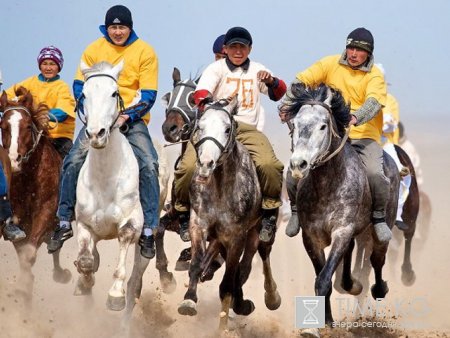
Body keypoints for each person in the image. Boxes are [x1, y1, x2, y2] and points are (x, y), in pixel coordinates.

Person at [47, 5, 160, 259]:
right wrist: (92, 111)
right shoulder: (93, 49)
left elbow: (150, 94)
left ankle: (150, 228)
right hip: (98, 120)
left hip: (131, 119)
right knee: (73, 159)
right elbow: (79, 85)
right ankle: (64, 220)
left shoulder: (145, 52)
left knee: (150, 163)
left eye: (122, 27)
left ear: (130, 27)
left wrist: (125, 115)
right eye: (113, 27)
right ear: (106, 28)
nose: (117, 32)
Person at [165, 26, 286, 243]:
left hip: (246, 128)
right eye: (233, 47)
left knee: (270, 164)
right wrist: (213, 105)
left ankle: (269, 212)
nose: (238, 51)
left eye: (242, 47)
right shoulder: (216, 69)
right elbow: (201, 93)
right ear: (226, 49)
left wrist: (272, 82)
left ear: (250, 49)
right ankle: (182, 213)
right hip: (215, 127)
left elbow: (279, 93)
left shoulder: (258, 70)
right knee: (188, 166)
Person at [281, 27, 392, 244]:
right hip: (330, 135)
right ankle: (295, 211)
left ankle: (378, 217)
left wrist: (356, 117)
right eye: (350, 47)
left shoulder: (374, 75)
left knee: (375, 174)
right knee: (293, 167)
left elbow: (374, 103)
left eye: (359, 51)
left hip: (362, 136)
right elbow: (300, 81)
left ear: (368, 54)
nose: (353, 54)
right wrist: (287, 103)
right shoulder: (329, 63)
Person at [5, 46, 75, 158]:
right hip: (33, 134)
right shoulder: (30, 82)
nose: (48, 68)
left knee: (70, 164)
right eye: (45, 63)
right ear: (39, 65)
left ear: (59, 66)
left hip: (58, 136)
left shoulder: (62, 87)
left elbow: (63, 113)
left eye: (52, 64)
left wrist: (44, 115)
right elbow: (6, 96)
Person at [377, 64, 411, 231]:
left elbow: (392, 125)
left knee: (403, 174)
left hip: (385, 143)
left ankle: (397, 213)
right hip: (363, 140)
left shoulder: (390, 100)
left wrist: (384, 123)